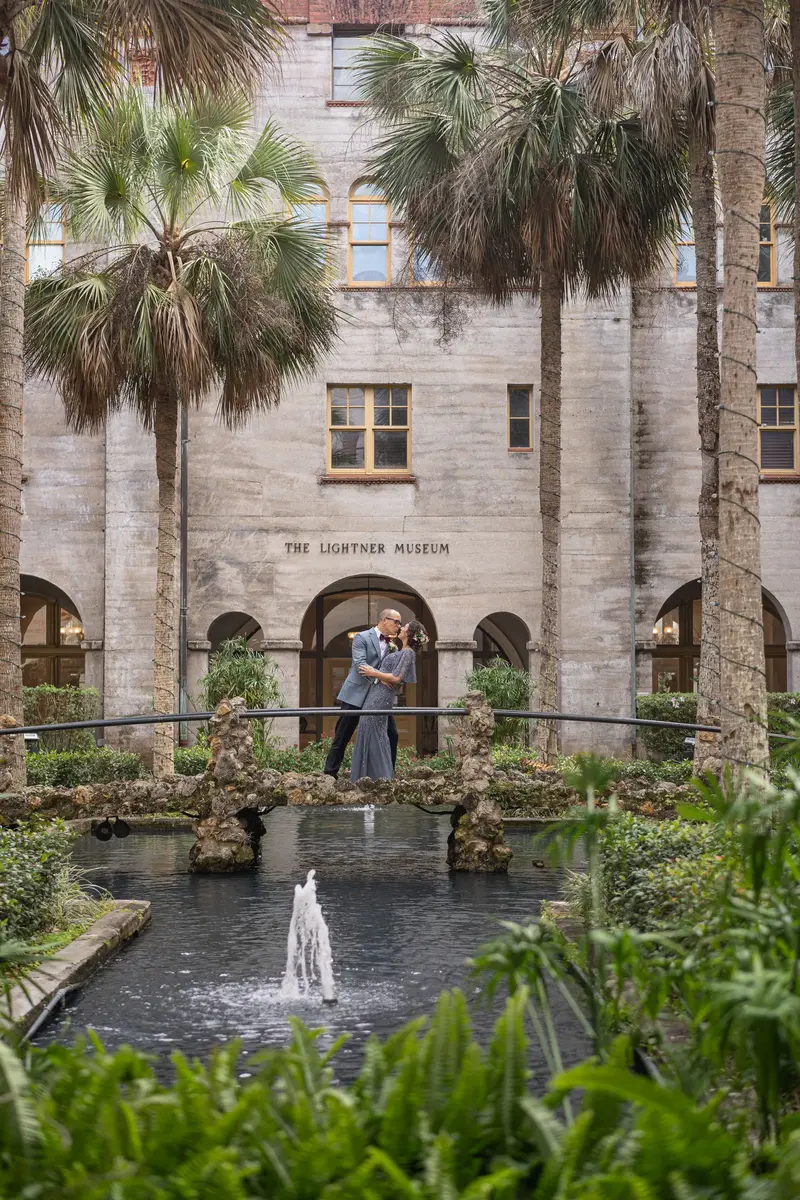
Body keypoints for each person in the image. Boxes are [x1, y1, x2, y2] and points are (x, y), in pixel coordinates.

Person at [323, 607, 404, 778]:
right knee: (343, 735)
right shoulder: (361, 637)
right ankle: (329, 774)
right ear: (384, 620)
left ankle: (389, 775)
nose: (398, 626)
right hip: (356, 694)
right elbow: (360, 664)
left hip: (378, 699)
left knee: (392, 734)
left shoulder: (393, 646)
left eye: (400, 623)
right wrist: (379, 678)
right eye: (396, 622)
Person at [350, 620, 428, 783]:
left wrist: (374, 673)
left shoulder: (408, 653)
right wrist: (379, 674)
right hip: (376, 692)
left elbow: (397, 678)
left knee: (375, 730)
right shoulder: (401, 650)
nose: (402, 627)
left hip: (382, 695)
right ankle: (366, 776)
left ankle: (381, 777)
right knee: (367, 727)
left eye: (405, 626)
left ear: (409, 634)